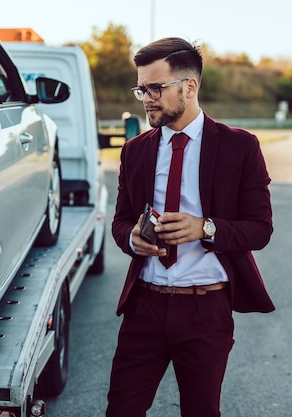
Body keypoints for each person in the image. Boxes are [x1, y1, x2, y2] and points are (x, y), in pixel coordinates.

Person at [107, 37, 275, 417]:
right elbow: (120, 223)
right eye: (141, 89)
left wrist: (206, 229)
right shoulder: (135, 150)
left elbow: (260, 229)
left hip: (205, 309)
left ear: (190, 86)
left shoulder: (240, 146)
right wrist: (132, 240)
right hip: (145, 307)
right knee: (121, 410)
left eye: (156, 88)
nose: (147, 98)